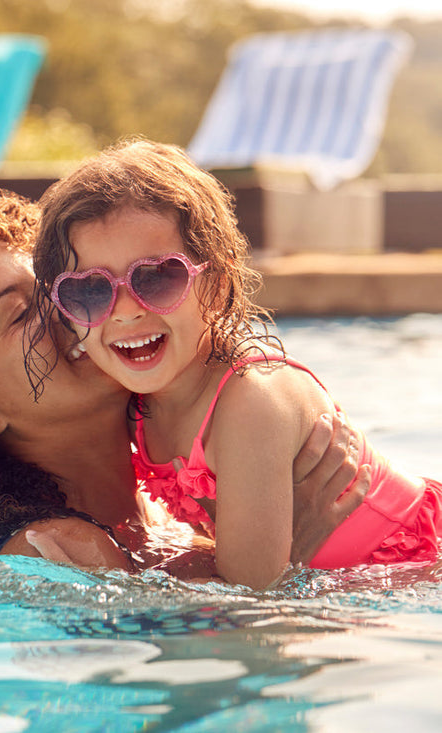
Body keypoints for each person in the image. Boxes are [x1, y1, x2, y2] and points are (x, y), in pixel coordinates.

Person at [0, 189, 367, 576]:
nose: (79, 309)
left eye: (71, 284)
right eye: (22, 312)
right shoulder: (57, 552)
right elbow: (244, 646)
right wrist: (301, 548)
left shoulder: (173, 492)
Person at [31, 139, 442, 588]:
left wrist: (118, 580)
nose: (126, 310)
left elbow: (248, 600)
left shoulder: (252, 401)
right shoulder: (135, 402)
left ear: (219, 278)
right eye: (90, 291)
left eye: (157, 277)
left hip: (419, 562)